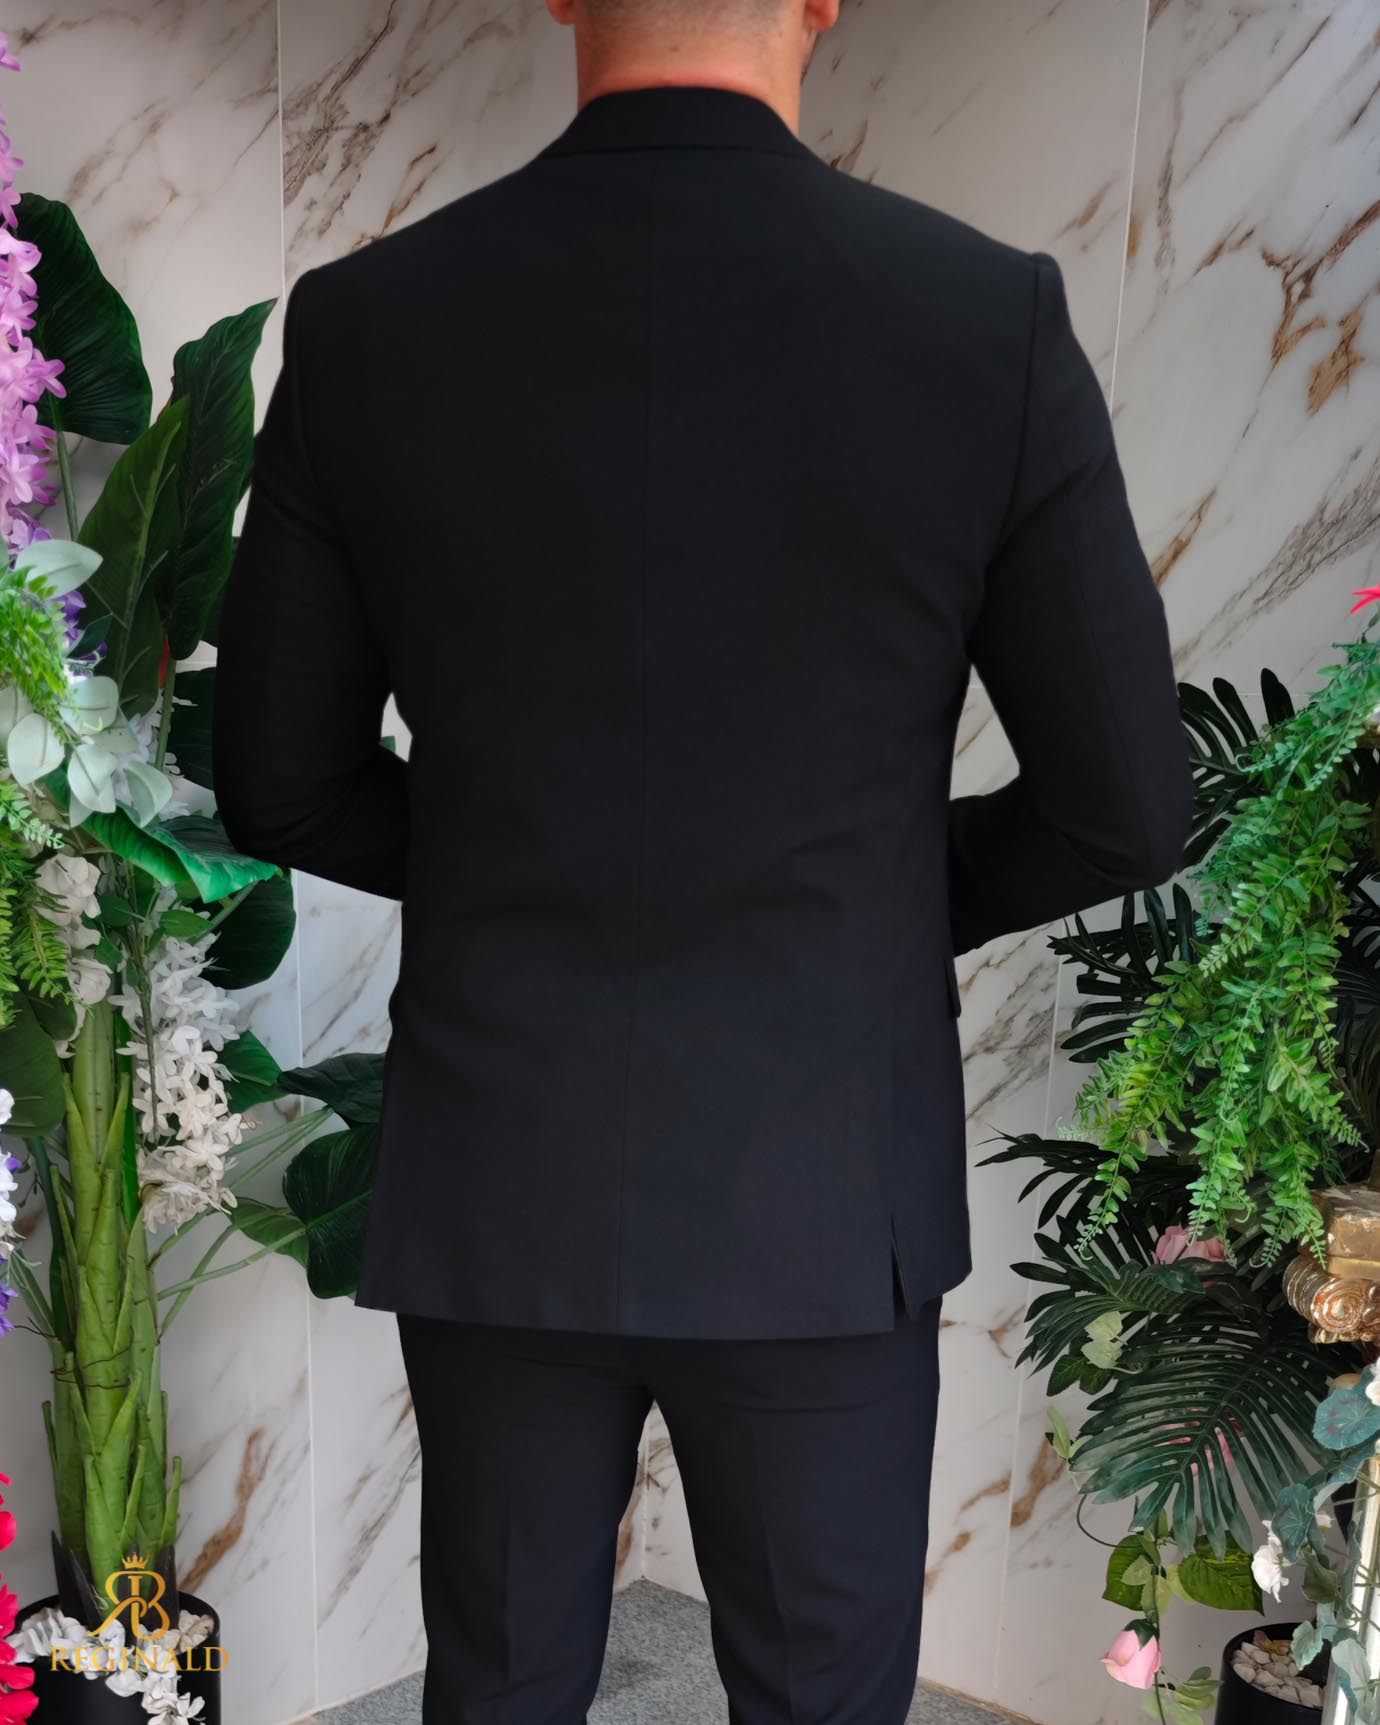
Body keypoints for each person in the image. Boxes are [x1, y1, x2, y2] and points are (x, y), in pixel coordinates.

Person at [211, 0, 1195, 1718]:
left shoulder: (370, 323)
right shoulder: (986, 319)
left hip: (507, 1166)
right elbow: (1123, 800)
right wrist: (875, 898)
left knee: (500, 1686)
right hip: (822, 1182)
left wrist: (514, 860)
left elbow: (279, 787)